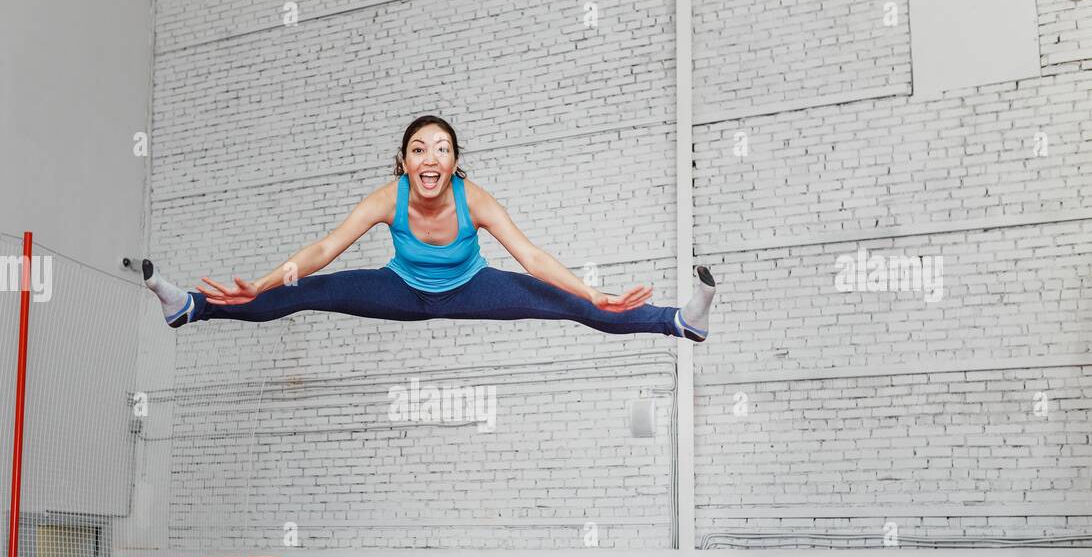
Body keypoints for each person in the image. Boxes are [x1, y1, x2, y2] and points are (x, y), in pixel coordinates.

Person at [142, 114, 717, 340]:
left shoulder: (476, 200)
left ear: (454, 162)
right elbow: (324, 248)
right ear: (405, 162)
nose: (430, 158)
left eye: (441, 149)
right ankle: (190, 307)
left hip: (473, 288)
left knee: (570, 303)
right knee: (308, 291)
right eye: (419, 149)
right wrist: (267, 282)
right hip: (399, 289)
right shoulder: (387, 198)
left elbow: (533, 258)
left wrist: (589, 290)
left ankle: (679, 322)